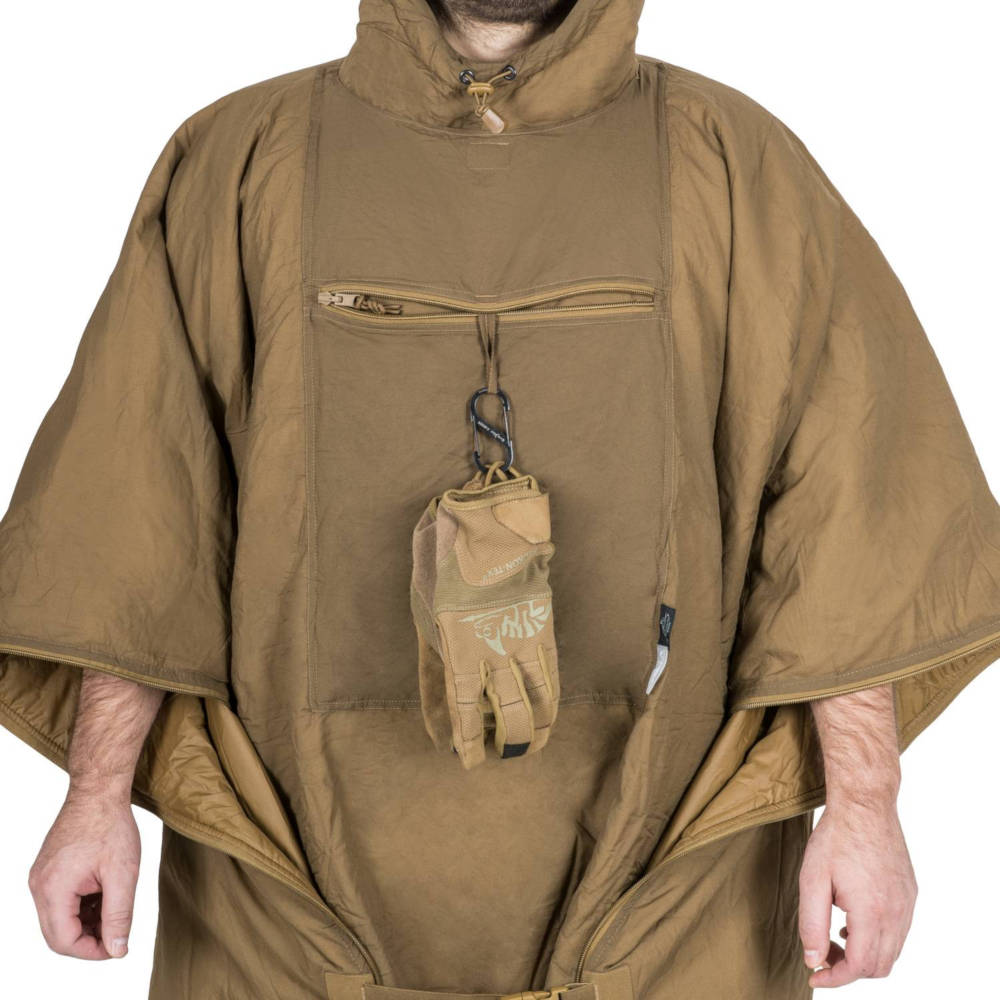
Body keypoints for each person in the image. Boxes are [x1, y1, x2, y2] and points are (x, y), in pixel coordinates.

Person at [2, 1, 998, 997]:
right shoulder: (244, 157)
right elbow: (138, 501)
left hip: (672, 895)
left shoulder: (730, 158)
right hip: (290, 903)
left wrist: (865, 805)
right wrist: (96, 796)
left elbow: (848, 494)